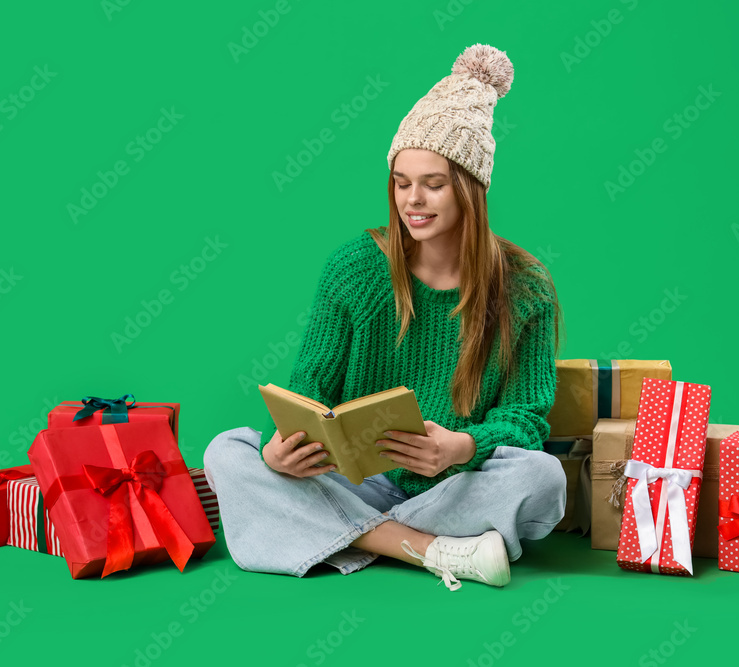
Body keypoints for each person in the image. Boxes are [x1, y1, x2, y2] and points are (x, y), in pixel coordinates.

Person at [204, 43, 566, 591]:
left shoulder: (525, 288)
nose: (412, 200)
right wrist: (282, 450)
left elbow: (527, 419)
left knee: (544, 477)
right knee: (227, 452)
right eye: (401, 182)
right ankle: (428, 550)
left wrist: (461, 447)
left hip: (454, 485)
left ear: (471, 188)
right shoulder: (355, 268)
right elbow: (309, 391)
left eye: (434, 183)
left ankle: (339, 536)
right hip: (356, 483)